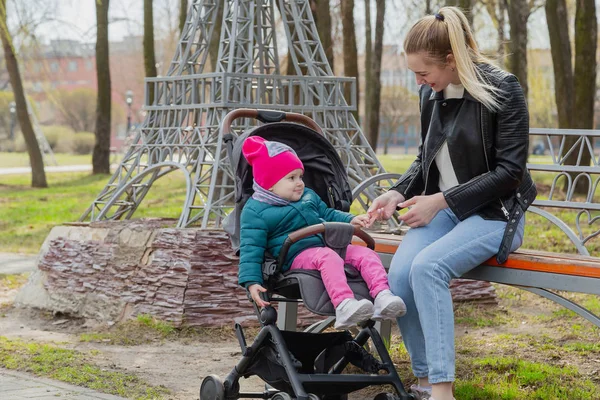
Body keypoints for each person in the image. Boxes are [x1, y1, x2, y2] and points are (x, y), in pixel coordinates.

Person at [367, 7, 536, 400]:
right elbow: (425, 157)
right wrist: (398, 192)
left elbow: (509, 173)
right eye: (414, 74)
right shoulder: (431, 91)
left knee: (427, 268)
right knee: (401, 275)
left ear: (451, 59)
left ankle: (443, 391)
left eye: (423, 73)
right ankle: (424, 381)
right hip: (446, 213)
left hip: (496, 216)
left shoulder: (503, 89)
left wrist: (440, 201)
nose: (418, 82)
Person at [238, 136, 406, 330]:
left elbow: (327, 213)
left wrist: (350, 219)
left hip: (324, 245)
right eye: (291, 178)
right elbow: (251, 248)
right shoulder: (255, 211)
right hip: (293, 256)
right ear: (270, 183)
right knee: (327, 257)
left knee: (365, 254)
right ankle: (343, 304)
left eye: (300, 176)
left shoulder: (307, 195)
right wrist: (251, 282)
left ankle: (382, 296)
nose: (300, 183)